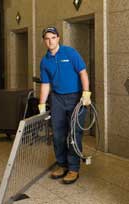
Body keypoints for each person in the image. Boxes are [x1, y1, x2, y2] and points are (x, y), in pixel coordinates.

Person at [38, 26, 91, 184]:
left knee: (74, 135)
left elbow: (83, 72)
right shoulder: (45, 61)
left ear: (58, 38)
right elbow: (46, 84)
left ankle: (73, 168)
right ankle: (62, 165)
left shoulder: (70, 53)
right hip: (57, 100)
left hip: (75, 98)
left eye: (53, 38)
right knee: (58, 135)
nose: (50, 41)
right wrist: (41, 103)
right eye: (47, 38)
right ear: (44, 41)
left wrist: (86, 93)